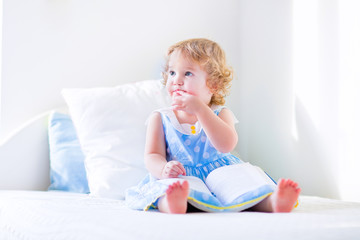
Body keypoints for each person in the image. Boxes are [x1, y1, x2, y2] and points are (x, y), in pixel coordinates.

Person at [125, 38, 301, 214]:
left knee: (243, 185)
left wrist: (201, 110)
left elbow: (226, 145)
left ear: (213, 85)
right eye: (172, 73)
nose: (176, 80)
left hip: (220, 176)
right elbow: (152, 155)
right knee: (167, 188)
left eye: (187, 74)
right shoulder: (161, 117)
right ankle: (172, 203)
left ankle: (272, 202)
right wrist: (163, 169)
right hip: (180, 175)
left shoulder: (220, 113)